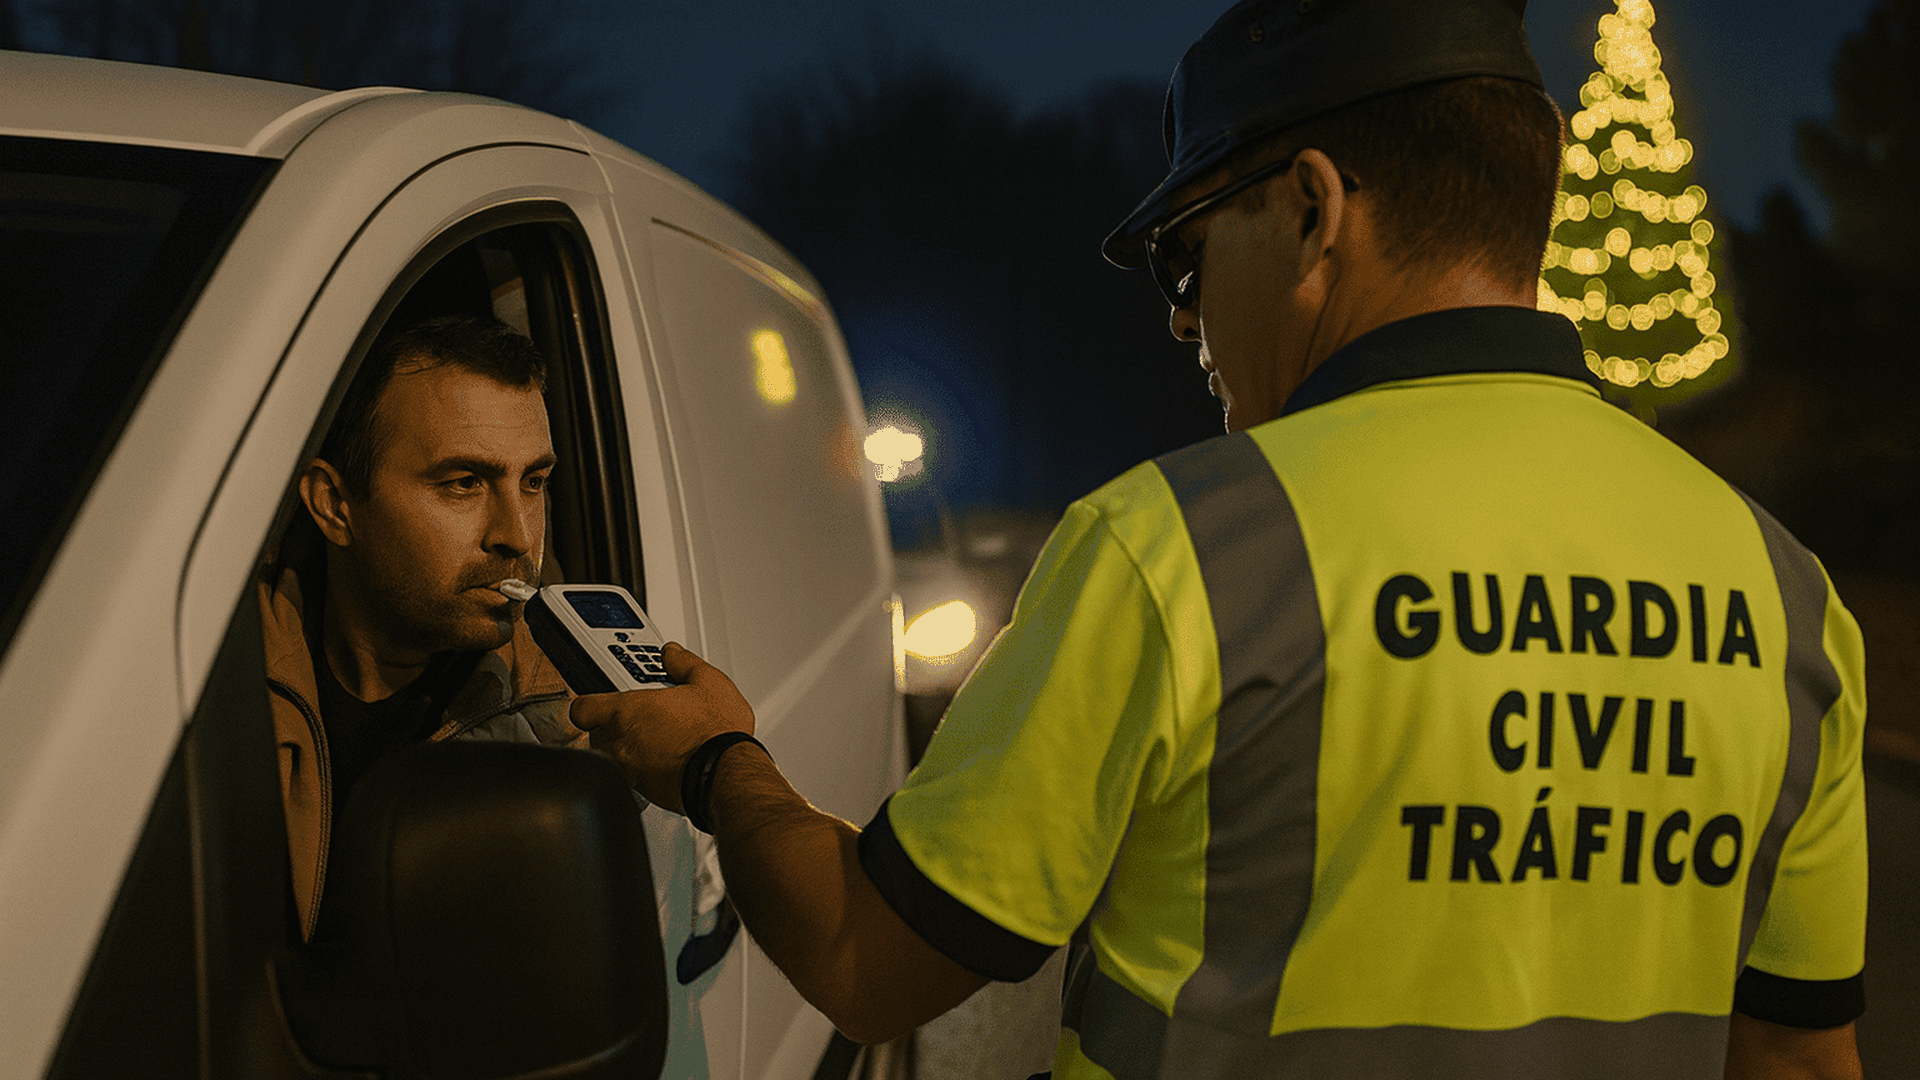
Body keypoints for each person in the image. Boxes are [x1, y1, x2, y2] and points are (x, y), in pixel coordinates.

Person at [573, 1, 1870, 1076]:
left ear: (1311, 209)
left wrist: (716, 763)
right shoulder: (1786, 593)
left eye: (1187, 260)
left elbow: (867, 963)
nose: (1182, 328)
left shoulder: (1184, 548)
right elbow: (1805, 1060)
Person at [260, 314, 579, 942]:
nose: (517, 536)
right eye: (464, 484)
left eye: (534, 482)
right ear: (335, 505)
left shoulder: (573, 715)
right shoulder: (209, 679)